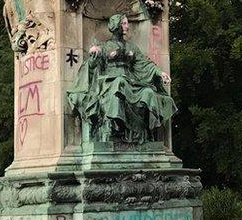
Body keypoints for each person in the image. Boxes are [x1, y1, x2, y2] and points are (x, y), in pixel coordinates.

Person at [68, 14, 175, 143]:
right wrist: (94, 53)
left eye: (127, 23)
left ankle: (147, 133)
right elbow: (92, 63)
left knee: (149, 92)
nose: (127, 27)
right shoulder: (105, 46)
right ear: (116, 25)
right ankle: (116, 126)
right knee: (119, 83)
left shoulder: (132, 47)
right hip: (109, 83)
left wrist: (160, 73)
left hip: (131, 83)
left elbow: (145, 63)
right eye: (124, 23)